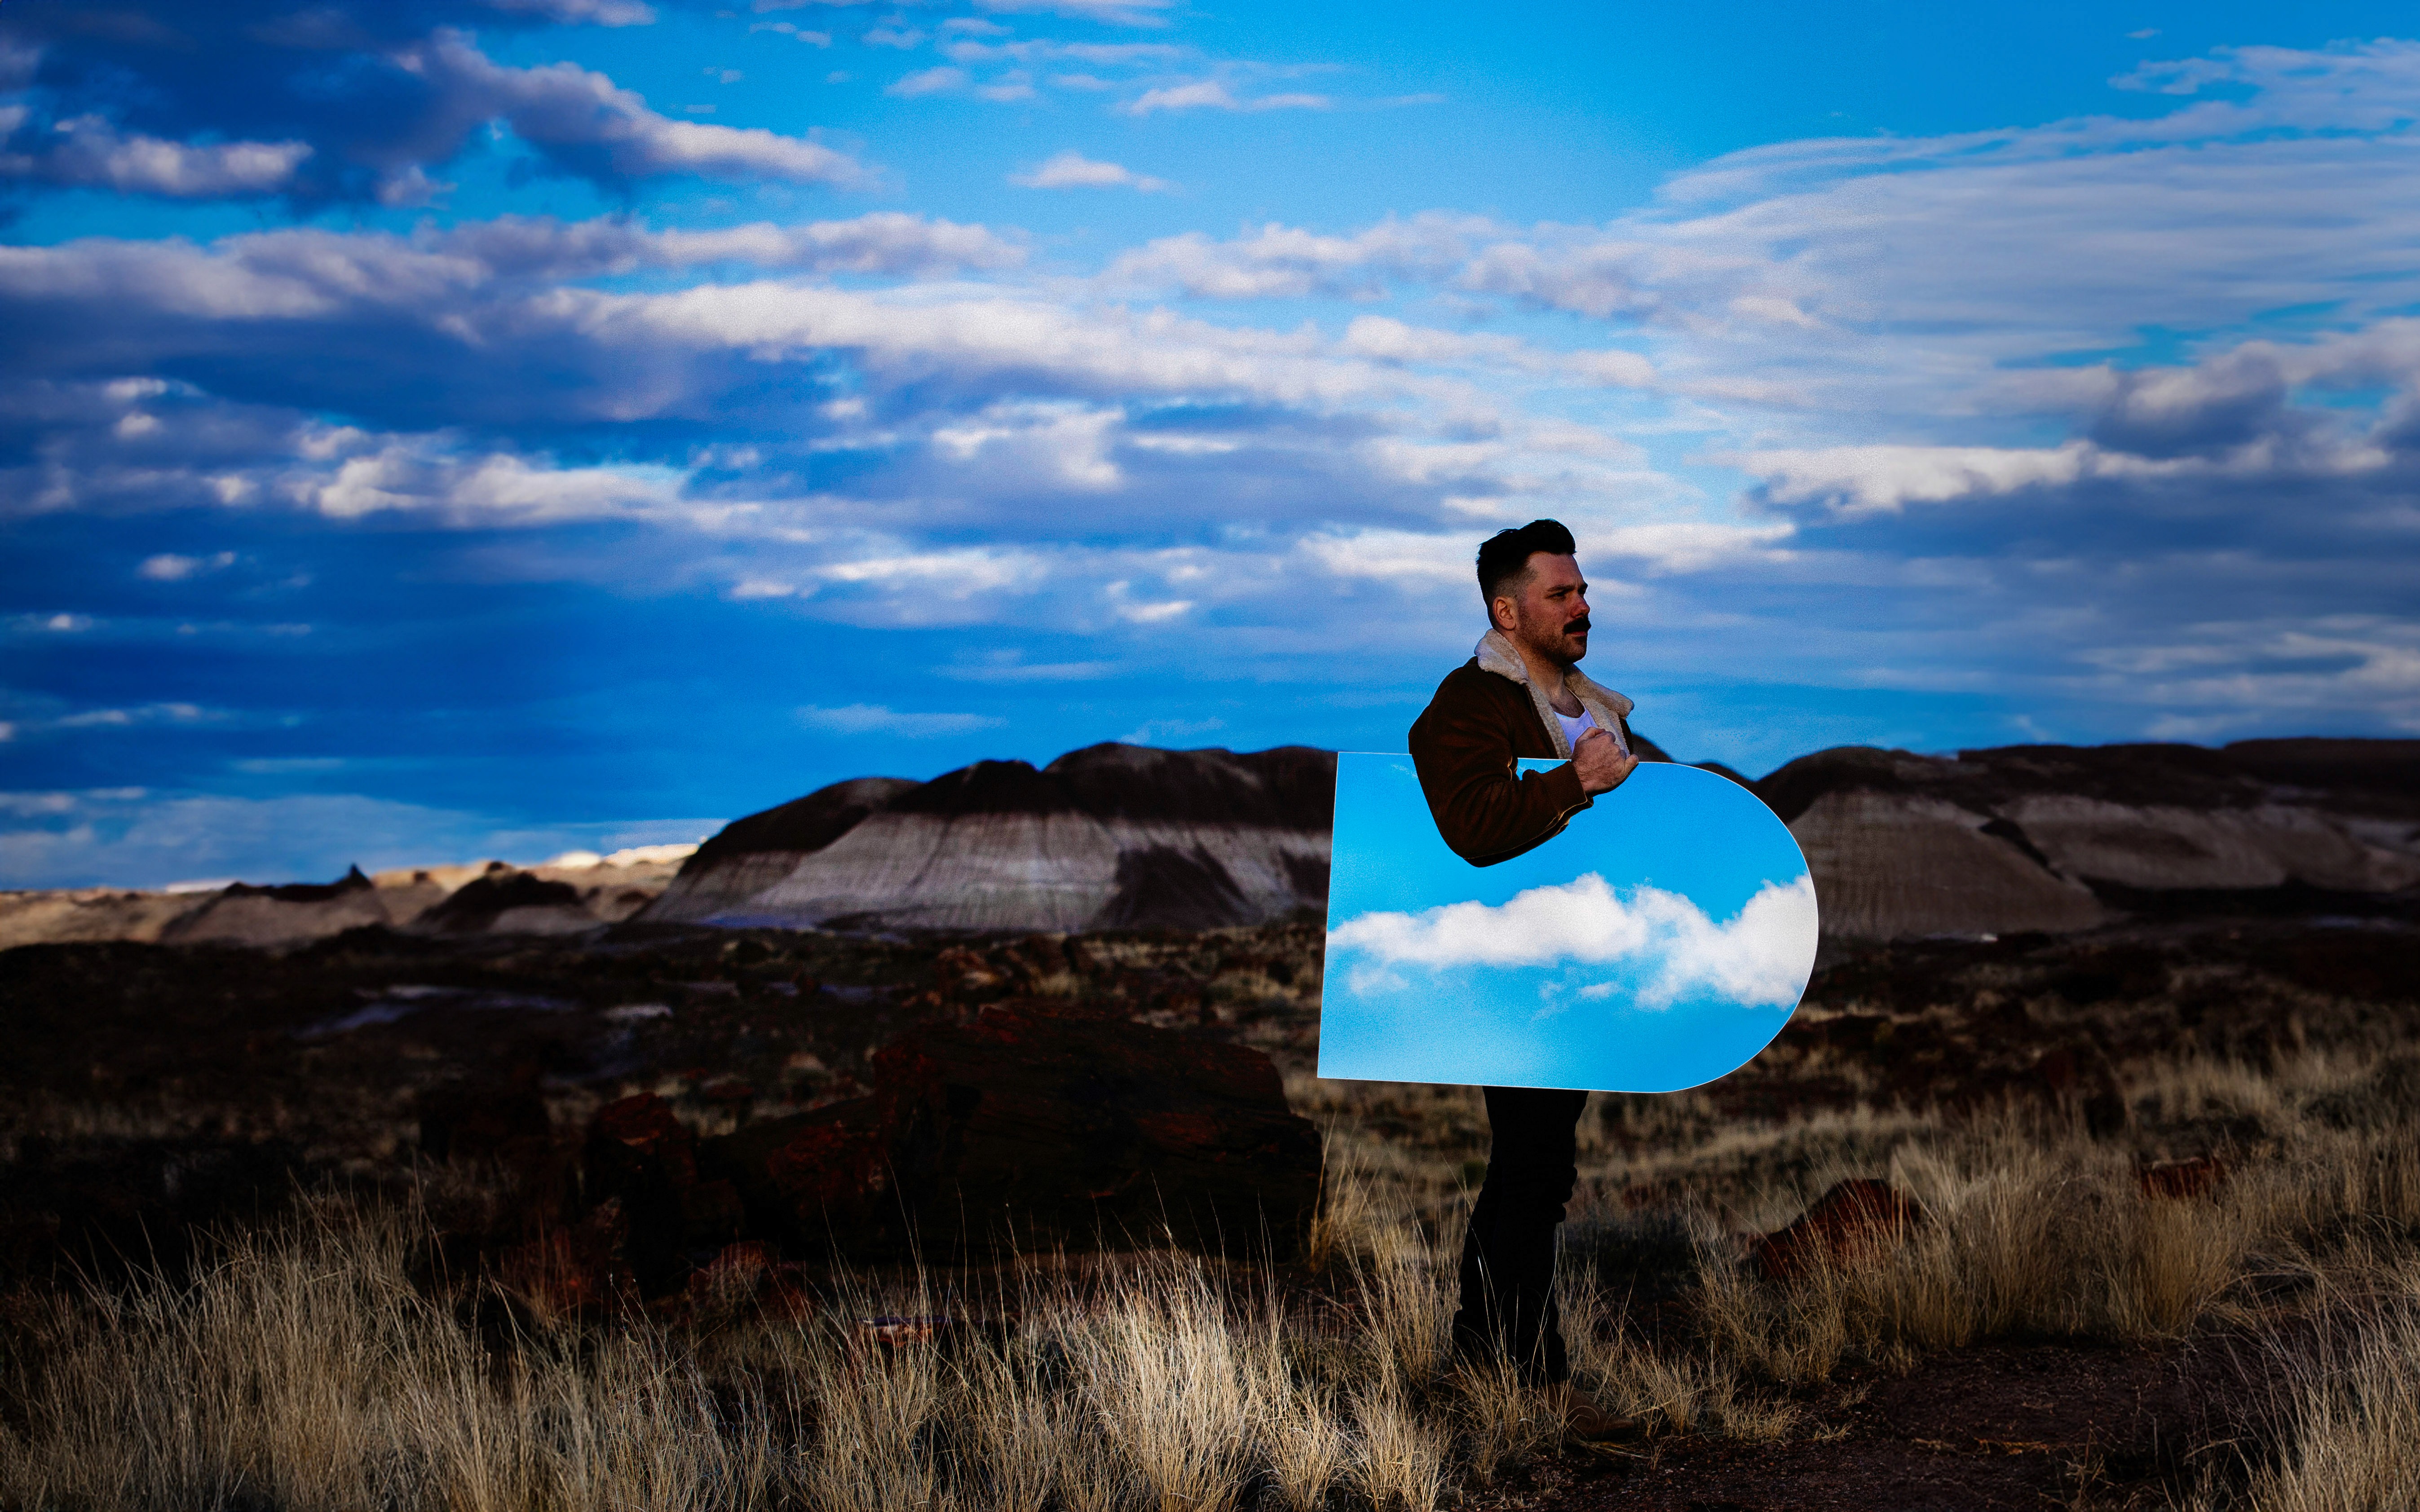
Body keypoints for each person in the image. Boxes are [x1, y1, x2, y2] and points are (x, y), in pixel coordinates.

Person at [1406, 517, 1645, 1441]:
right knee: (1537, 1164)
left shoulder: (1600, 706)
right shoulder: (1468, 705)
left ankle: (1478, 1359)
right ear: (1508, 611)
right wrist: (1573, 785)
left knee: (1526, 1167)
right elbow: (1469, 823)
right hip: (1509, 970)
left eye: (1583, 590)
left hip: (1587, 968)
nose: (1582, 605)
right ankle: (1535, 1381)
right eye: (1561, 593)